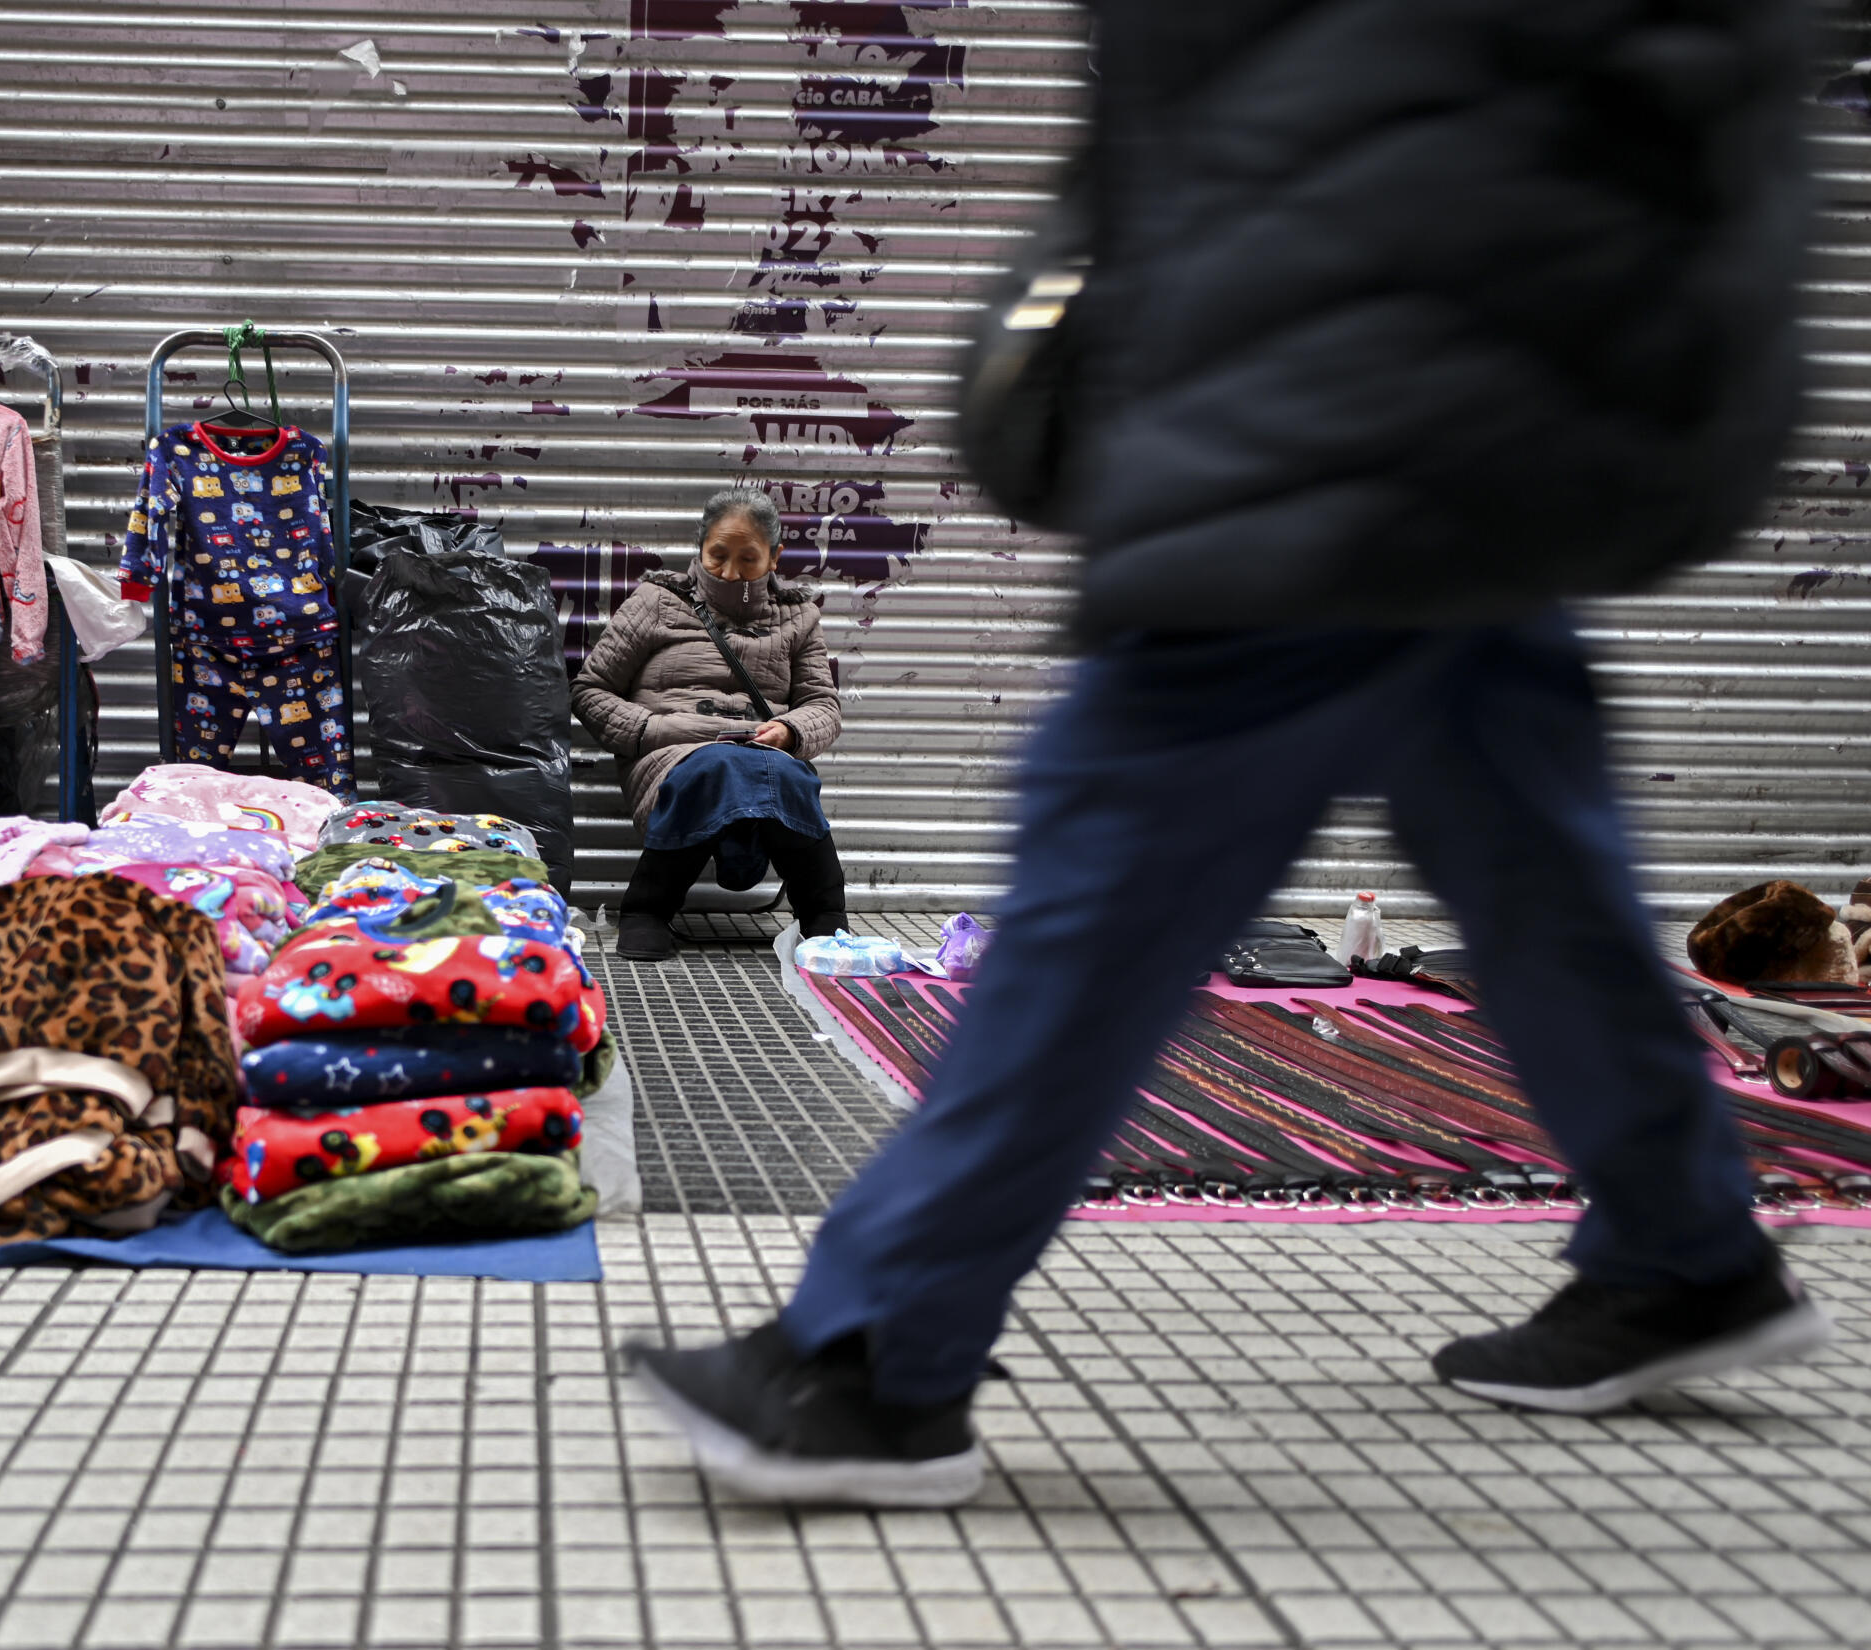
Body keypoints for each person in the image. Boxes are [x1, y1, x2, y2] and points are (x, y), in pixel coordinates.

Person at [626, 0, 1829, 1507]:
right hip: (1452, 402)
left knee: (1105, 891)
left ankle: (869, 1354)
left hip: (1329, 389)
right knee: (1535, 869)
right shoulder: (654, 606)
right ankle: (1688, 1250)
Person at [571, 487, 845, 961]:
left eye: (748, 559)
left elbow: (823, 705)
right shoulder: (656, 602)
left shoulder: (798, 616)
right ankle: (646, 910)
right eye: (718, 556)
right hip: (670, 756)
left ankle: (825, 922)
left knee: (787, 773)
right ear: (699, 547)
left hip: (762, 755)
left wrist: (790, 732)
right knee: (715, 768)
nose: (730, 572)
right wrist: (649, 731)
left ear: (776, 556)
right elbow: (590, 689)